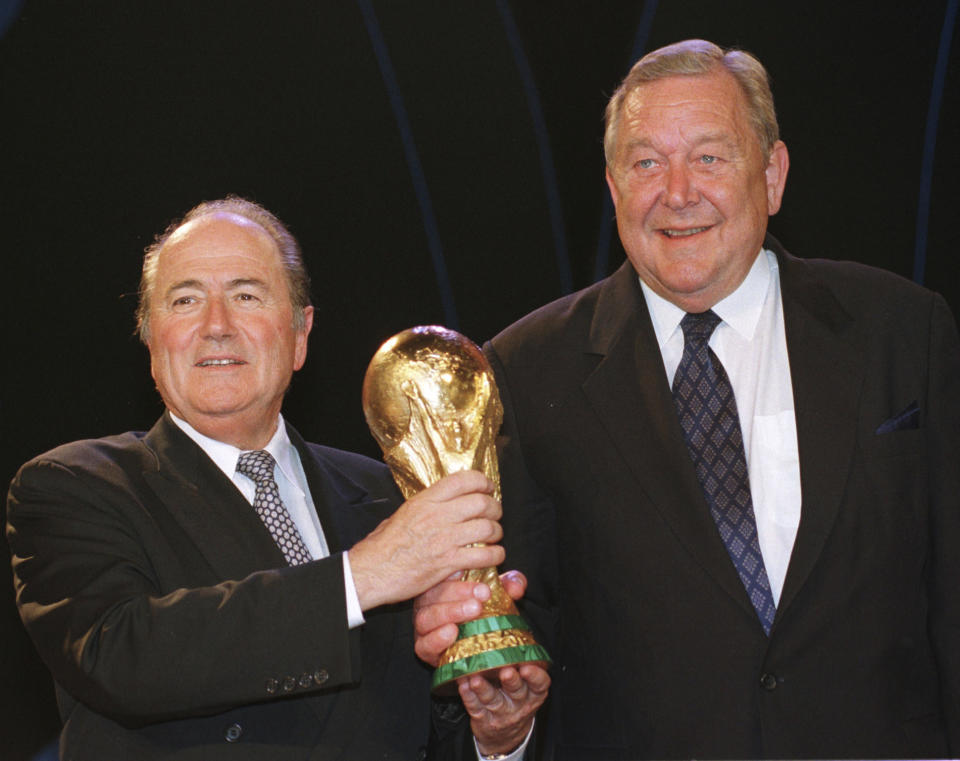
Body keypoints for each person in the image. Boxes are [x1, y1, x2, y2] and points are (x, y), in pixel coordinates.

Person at [415, 39, 960, 759]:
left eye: (709, 156)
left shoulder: (901, 328)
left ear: (772, 175)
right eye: (646, 163)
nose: (677, 192)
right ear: (613, 190)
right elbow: (515, 640)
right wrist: (503, 727)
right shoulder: (524, 370)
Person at [5, 197, 510, 760]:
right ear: (151, 343)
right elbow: (122, 657)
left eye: (246, 295)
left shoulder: (390, 498)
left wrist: (495, 735)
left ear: (300, 334)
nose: (216, 326)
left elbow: (414, 727)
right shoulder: (73, 488)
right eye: (185, 299)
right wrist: (360, 578)